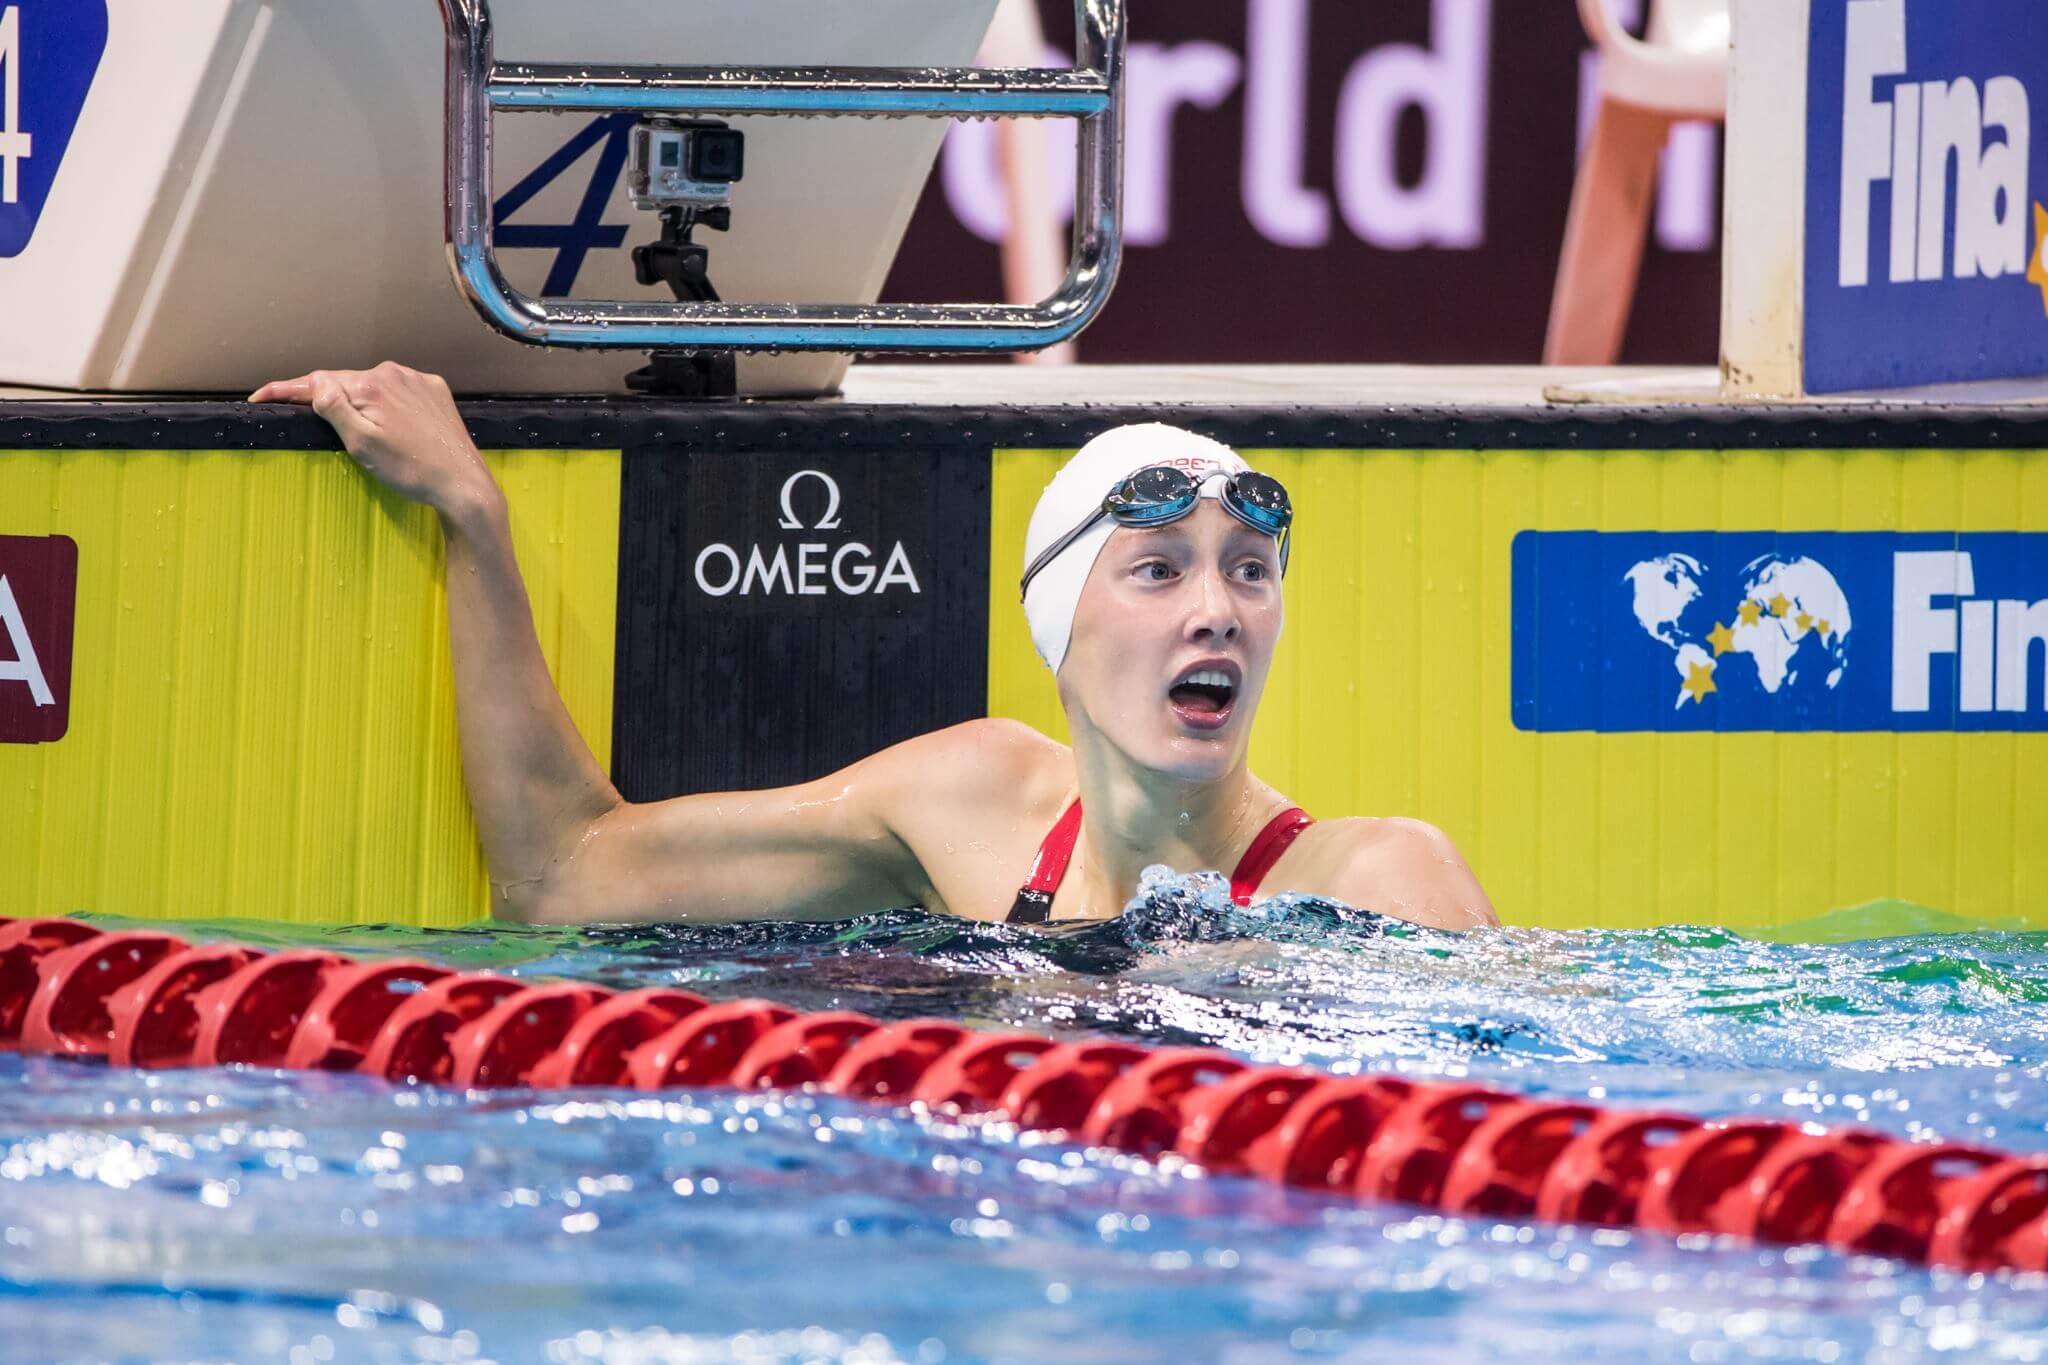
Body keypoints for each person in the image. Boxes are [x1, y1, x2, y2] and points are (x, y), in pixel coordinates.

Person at [250, 363, 1498, 932]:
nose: (1216, 608)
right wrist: (473, 517)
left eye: (1249, 573)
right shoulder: (969, 812)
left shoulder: (1376, 881)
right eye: (1159, 572)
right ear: (1057, 628)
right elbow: (564, 876)